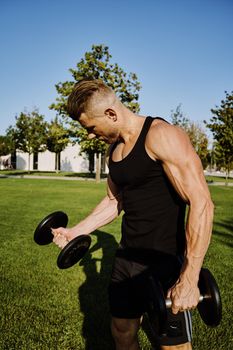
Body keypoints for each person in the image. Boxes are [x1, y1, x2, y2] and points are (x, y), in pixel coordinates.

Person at [52, 79, 214, 350]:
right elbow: (114, 201)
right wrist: (76, 231)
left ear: (111, 114)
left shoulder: (161, 135)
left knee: (173, 345)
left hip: (163, 261)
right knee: (121, 331)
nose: (90, 135)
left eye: (91, 128)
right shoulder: (113, 149)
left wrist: (189, 276)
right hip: (127, 259)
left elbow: (202, 203)